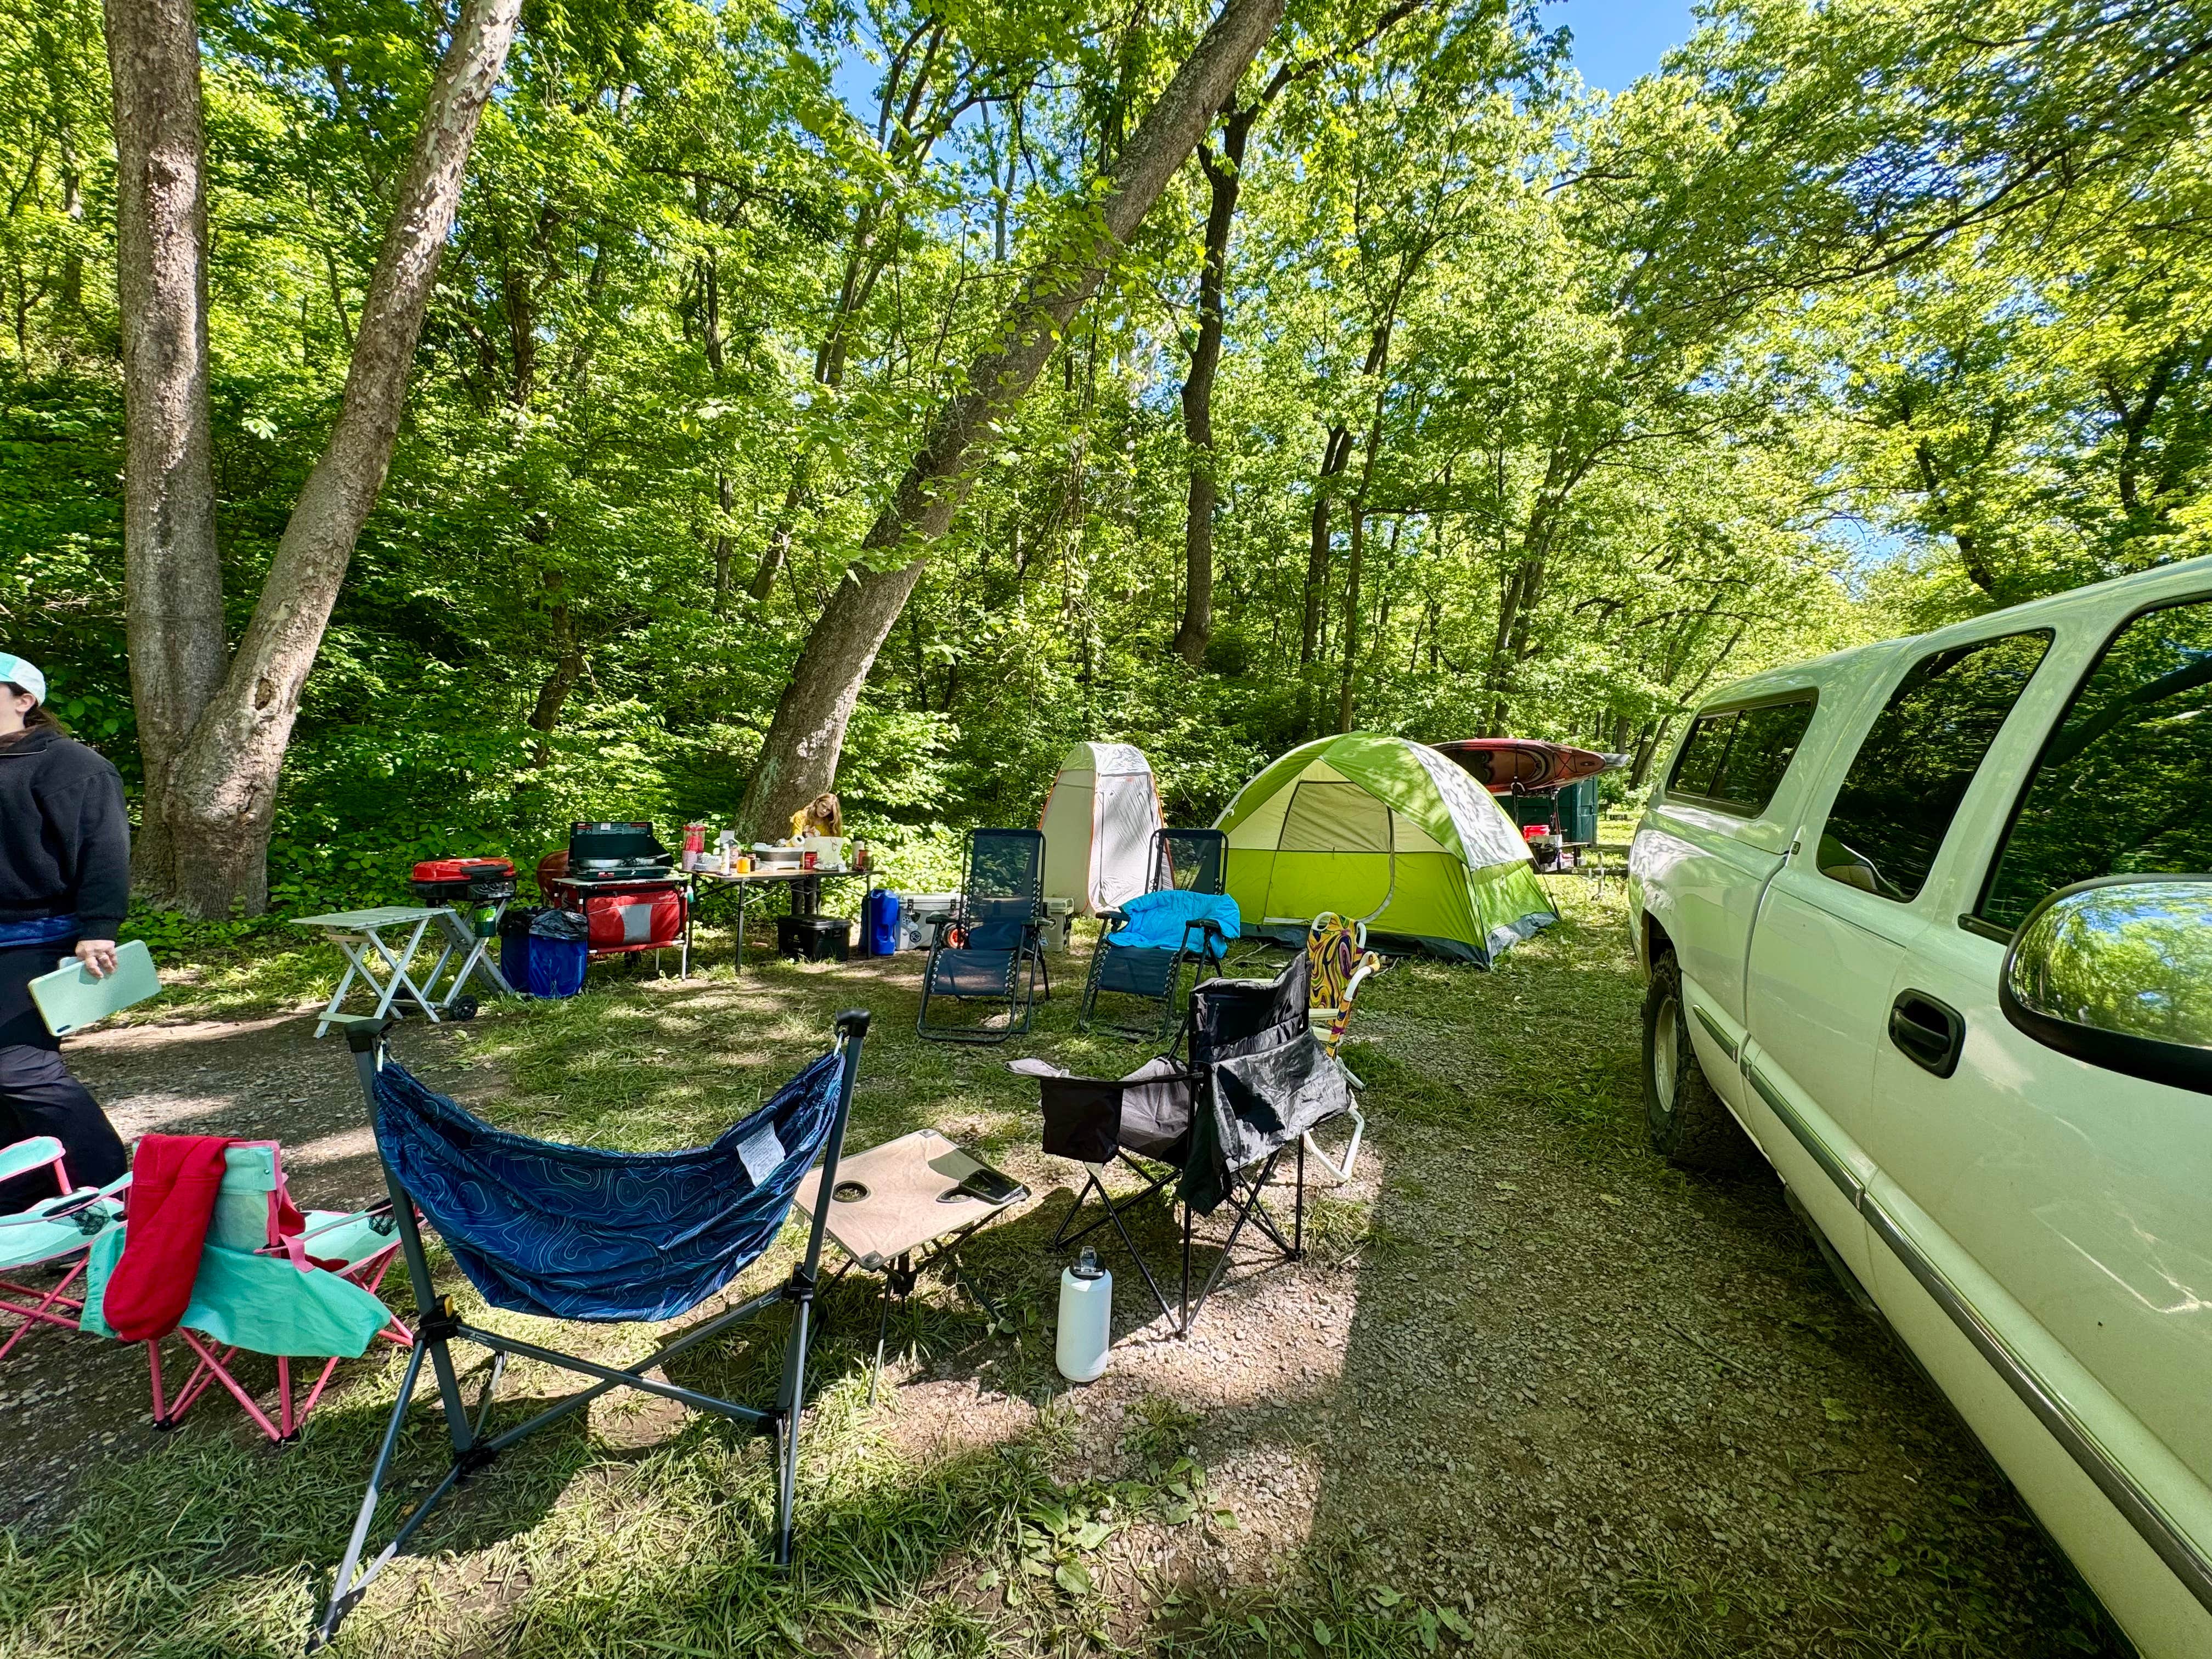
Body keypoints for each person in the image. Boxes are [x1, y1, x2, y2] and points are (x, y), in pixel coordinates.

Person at [0, 652, 130, 1208]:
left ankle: (109, 1193)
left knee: (20, 1066)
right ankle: (31, 1199)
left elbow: (105, 848)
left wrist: (99, 927)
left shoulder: (71, 765)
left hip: (39, 935)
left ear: (24, 700)